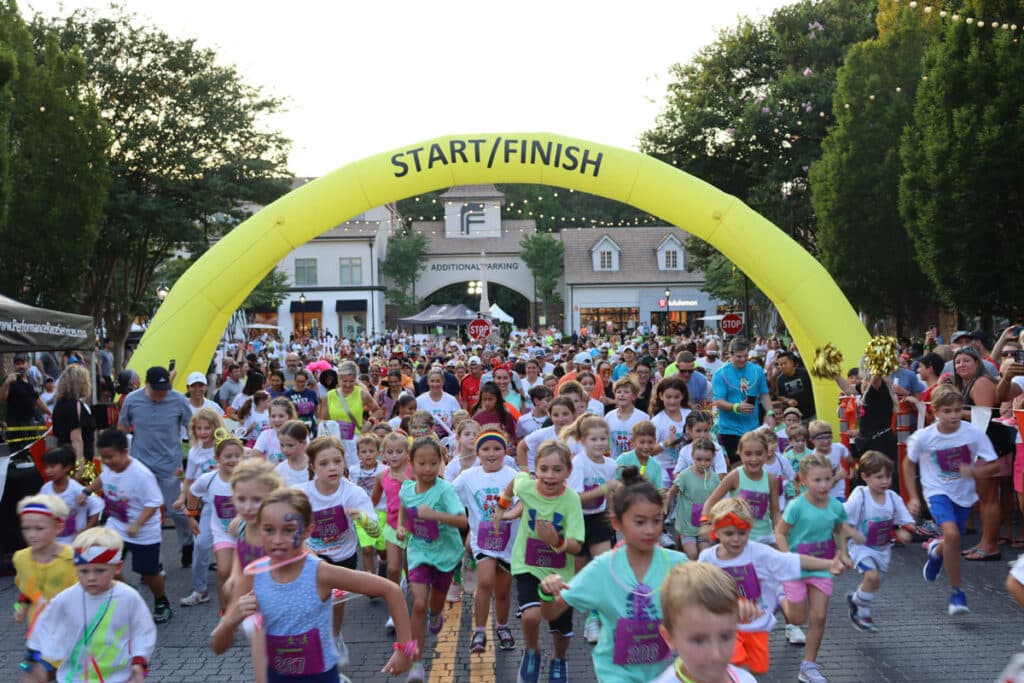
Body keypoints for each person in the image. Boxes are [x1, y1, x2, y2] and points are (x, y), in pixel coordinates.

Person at [209, 488, 415, 681]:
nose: (278, 539)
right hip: (277, 676)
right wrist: (229, 622)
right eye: (269, 530)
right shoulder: (253, 575)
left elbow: (392, 590)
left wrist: (405, 649)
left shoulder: (320, 573)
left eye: (289, 530)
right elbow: (218, 647)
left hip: (320, 677)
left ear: (308, 530)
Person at [539, 466, 688, 682]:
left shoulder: (678, 564)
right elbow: (551, 613)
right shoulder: (602, 568)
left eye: (656, 520)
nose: (650, 530)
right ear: (617, 522)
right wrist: (546, 592)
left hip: (662, 672)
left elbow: (708, 602)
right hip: (615, 673)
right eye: (639, 522)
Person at [699, 498, 844, 676]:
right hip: (724, 627)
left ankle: (779, 593)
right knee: (734, 667)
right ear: (716, 532)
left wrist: (827, 564)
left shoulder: (758, 552)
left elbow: (792, 560)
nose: (736, 539)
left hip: (755, 624)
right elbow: (698, 589)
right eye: (729, 534)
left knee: (758, 668)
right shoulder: (707, 558)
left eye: (742, 533)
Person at [493, 440, 584, 683]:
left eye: (557, 470)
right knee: (531, 615)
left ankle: (559, 659)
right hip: (527, 564)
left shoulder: (571, 500)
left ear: (568, 472)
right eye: (543, 469)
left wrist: (556, 541)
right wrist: (501, 507)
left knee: (560, 625)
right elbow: (514, 484)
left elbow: (576, 545)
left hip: (560, 572)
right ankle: (532, 651)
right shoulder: (528, 486)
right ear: (537, 469)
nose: (549, 475)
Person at [905, 383, 999, 616]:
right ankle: (957, 593)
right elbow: (908, 463)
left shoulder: (972, 433)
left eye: (958, 410)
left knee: (951, 541)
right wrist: (914, 497)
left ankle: (936, 552)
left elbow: (995, 464)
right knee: (954, 535)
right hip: (937, 492)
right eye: (947, 411)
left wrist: (976, 472)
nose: (954, 415)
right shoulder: (925, 437)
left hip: (964, 495)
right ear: (935, 411)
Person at [21, 527, 157, 683]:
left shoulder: (129, 597)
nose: (91, 577)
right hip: (74, 678)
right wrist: (35, 659)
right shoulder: (65, 599)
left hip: (119, 678)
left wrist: (139, 661)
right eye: (84, 571)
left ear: (117, 567)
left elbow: (142, 630)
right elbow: (45, 625)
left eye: (100, 571)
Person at [775, 452, 857, 683]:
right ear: (803, 481)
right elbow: (780, 532)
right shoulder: (796, 506)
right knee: (798, 619)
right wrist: (786, 556)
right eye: (817, 480)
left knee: (819, 617)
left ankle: (808, 666)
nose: (824, 485)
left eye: (827, 479)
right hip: (796, 569)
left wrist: (845, 554)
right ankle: (780, 597)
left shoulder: (835, 506)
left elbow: (839, 529)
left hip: (823, 568)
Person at [79, 429, 172, 623]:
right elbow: (102, 480)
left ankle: (161, 602)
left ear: (124, 451)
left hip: (143, 531)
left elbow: (154, 503)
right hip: (116, 526)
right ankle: (129, 600)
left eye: (111, 457)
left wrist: (137, 524)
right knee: (107, 563)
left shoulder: (141, 474)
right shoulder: (109, 467)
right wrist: (86, 492)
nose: (107, 462)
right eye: (103, 458)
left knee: (149, 573)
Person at [396, 437, 468, 683]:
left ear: (441, 463)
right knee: (418, 604)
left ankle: (436, 613)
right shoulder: (406, 488)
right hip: (418, 551)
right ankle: (417, 665)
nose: (428, 469)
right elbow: (406, 507)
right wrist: (401, 527)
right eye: (422, 463)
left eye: (433, 463)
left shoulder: (445, 490)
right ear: (411, 463)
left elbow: (462, 521)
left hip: (445, 555)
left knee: (434, 605)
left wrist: (435, 515)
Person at [298, 435, 378, 647]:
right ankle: (316, 640)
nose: (332, 467)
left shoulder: (353, 492)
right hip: (314, 555)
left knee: (337, 603)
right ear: (313, 467)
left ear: (344, 462)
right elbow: (286, 526)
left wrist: (363, 519)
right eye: (324, 463)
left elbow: (376, 531)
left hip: (344, 555)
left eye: (337, 461)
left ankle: (334, 636)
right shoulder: (302, 493)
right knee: (314, 601)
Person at [117, 366, 194, 567]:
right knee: (146, 513)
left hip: (171, 467)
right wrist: (121, 455)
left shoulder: (178, 400)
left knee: (177, 511)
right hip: (141, 467)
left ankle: (187, 544)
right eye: (157, 390)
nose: (162, 394)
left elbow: (192, 428)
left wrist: (194, 457)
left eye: (165, 389)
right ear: (147, 385)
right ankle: (151, 562)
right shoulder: (132, 400)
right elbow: (122, 427)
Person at [452, 430, 520, 653]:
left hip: (508, 541)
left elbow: (524, 502)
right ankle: (479, 631)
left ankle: (502, 626)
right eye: (486, 449)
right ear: (478, 452)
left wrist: (510, 514)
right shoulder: (468, 477)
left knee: (503, 591)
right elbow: (448, 495)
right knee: (485, 581)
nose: (491, 454)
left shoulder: (514, 475)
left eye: (497, 448)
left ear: (505, 451)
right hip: (483, 541)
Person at [843, 451, 915, 632]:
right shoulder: (860, 495)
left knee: (874, 583)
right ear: (865, 477)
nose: (884, 481)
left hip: (883, 550)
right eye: (879, 477)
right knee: (872, 576)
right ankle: (863, 613)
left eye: (888, 476)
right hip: (861, 547)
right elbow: (843, 520)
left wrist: (904, 531)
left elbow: (905, 521)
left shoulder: (892, 497)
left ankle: (856, 600)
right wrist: (843, 545)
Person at [562, 413, 619, 644]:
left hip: (598, 519)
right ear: (583, 441)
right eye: (593, 439)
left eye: (603, 439)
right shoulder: (578, 464)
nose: (599, 444)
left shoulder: (611, 464)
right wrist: (603, 490)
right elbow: (574, 498)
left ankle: (595, 618)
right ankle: (581, 612)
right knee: (582, 575)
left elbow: (612, 493)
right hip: (577, 521)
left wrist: (613, 515)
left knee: (603, 569)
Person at [650, 562, 757, 683]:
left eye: (726, 637)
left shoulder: (746, 679)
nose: (716, 655)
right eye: (698, 640)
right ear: (669, 638)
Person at [188, 435, 245, 612]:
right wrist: (191, 515)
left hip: (247, 534)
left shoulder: (248, 478)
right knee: (223, 572)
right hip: (223, 533)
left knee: (248, 576)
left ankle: (248, 611)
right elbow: (193, 492)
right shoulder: (209, 479)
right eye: (228, 456)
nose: (233, 460)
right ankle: (225, 613)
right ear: (217, 459)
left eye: (237, 456)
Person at [176, 407, 223, 603]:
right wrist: (182, 498)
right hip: (208, 507)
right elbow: (189, 480)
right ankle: (200, 590)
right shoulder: (195, 452)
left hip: (231, 506)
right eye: (199, 428)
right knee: (202, 546)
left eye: (207, 428)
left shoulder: (224, 446)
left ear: (215, 427)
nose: (203, 432)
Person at [13, 494, 77, 634]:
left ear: (58, 527)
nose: (31, 535)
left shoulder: (73, 558)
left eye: (39, 528)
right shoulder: (20, 558)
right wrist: (20, 607)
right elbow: (26, 589)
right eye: (26, 528)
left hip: (70, 633)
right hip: (37, 634)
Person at [703, 431, 781, 545]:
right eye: (748, 454)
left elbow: (776, 512)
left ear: (767, 453)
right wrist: (705, 523)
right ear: (740, 453)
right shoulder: (735, 476)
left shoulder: (771, 479)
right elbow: (710, 502)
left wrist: (780, 533)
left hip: (765, 537)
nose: (754, 459)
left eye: (759, 453)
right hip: (740, 539)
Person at [371, 432, 412, 631]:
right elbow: (373, 500)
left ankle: (411, 592)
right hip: (392, 526)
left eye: (399, 452)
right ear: (383, 454)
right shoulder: (381, 476)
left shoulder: (415, 471)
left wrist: (407, 481)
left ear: (407, 453)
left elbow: (426, 493)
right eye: (390, 452)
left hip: (414, 528)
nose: (394, 456)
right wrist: (366, 516)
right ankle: (395, 613)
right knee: (393, 568)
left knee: (413, 572)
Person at [713, 338, 775, 465]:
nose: (743, 359)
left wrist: (769, 414)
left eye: (746, 356)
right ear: (730, 355)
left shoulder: (757, 370)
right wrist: (736, 407)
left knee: (756, 463)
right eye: (739, 356)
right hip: (730, 429)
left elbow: (764, 395)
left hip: (753, 427)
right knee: (738, 466)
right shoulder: (720, 374)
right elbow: (718, 401)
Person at [667, 437, 718, 559]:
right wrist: (666, 504)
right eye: (699, 459)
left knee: (704, 555)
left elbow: (718, 500)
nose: (703, 463)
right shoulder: (685, 475)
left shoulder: (715, 478)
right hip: (687, 527)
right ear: (692, 456)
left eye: (707, 460)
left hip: (705, 525)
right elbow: (672, 492)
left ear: (713, 458)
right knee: (692, 554)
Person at [40, 447, 103, 545]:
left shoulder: (75, 489)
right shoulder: (45, 489)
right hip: (53, 544)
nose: (48, 471)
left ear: (67, 467)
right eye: (46, 467)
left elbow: (96, 507)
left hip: (74, 544)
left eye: (52, 467)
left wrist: (86, 531)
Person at [51, 364, 96, 472]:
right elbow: (76, 439)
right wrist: (79, 467)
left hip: (63, 459)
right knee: (84, 488)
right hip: (80, 461)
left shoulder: (59, 405)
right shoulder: (75, 405)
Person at [650, 377, 692, 488]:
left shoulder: (690, 415)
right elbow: (650, 451)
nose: (672, 401)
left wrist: (690, 437)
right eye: (668, 397)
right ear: (660, 396)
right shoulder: (656, 421)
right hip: (663, 471)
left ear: (682, 396)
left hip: (687, 468)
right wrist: (666, 442)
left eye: (676, 397)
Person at [1, 353, 51, 427]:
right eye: (17, 364)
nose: (20, 366)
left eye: (23, 363)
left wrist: (50, 413)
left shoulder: (30, 379)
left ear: (27, 364)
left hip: (30, 422)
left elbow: (37, 399)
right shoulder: (11, 379)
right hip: (15, 423)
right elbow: (2, 398)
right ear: (14, 366)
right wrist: (6, 382)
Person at [605, 377, 649, 458]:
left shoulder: (643, 418)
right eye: (619, 392)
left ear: (634, 396)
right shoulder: (608, 417)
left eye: (626, 392)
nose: (622, 394)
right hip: (615, 464)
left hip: (636, 464)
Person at [616, 419, 663, 488]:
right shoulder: (623, 459)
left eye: (650, 442)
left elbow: (658, 489)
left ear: (655, 441)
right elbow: (613, 483)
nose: (646, 447)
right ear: (633, 442)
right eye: (642, 442)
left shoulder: (656, 465)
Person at [253, 397, 299, 466]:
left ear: (290, 417)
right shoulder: (265, 435)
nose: (276, 420)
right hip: (272, 475)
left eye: (281, 416)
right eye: (273, 416)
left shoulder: (299, 434)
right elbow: (253, 456)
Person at [772, 351, 816, 422]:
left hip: (813, 411)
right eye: (780, 364)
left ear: (792, 362)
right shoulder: (780, 379)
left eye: (785, 363)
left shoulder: (804, 372)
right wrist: (788, 400)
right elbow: (780, 396)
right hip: (796, 417)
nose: (782, 366)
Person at [275, 420, 312, 487]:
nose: (285, 450)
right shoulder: (279, 470)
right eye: (282, 445)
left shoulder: (315, 466)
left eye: (290, 445)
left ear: (304, 443)